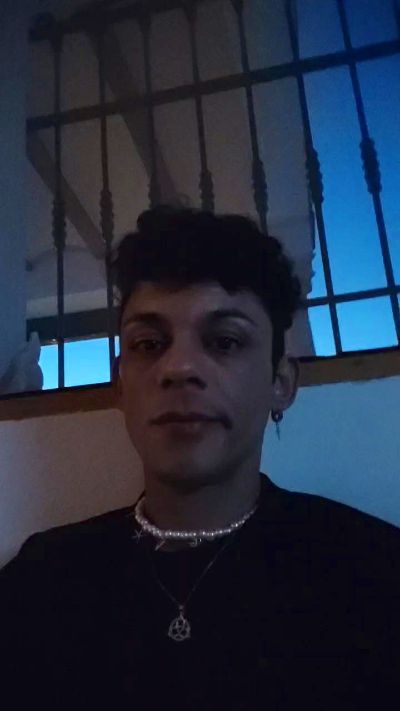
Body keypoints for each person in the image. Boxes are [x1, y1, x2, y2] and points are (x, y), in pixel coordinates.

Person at [0, 205, 399, 710]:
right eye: (149, 343)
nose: (180, 367)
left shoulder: (373, 574)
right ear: (121, 386)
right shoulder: (41, 580)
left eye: (225, 341)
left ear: (280, 383)